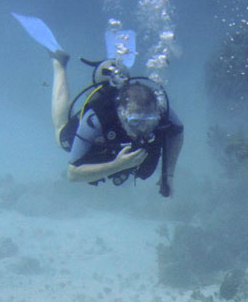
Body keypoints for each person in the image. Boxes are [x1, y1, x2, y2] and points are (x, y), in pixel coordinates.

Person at [50, 52, 184, 196]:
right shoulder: (97, 118)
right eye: (135, 122)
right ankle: (59, 65)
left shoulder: (162, 111)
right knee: (61, 136)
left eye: (149, 122)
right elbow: (72, 174)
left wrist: (168, 175)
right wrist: (117, 166)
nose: (142, 129)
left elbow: (177, 133)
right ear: (122, 115)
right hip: (101, 140)